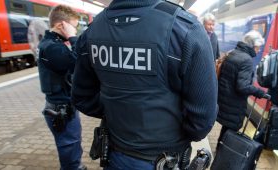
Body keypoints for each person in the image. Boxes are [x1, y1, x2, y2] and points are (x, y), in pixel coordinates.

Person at [71, 0, 217, 169]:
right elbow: (202, 121)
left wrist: (120, 112)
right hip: (164, 159)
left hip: (114, 155)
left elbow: (82, 97)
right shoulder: (185, 29)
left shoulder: (92, 31)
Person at [37, 5, 86, 170]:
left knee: (71, 144)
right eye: (74, 26)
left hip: (63, 107)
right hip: (61, 109)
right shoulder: (52, 47)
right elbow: (80, 63)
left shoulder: (53, 43)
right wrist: (73, 38)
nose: (76, 30)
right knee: (69, 146)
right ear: (61, 25)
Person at [216, 30, 267, 148]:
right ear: (252, 46)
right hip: (235, 103)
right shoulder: (247, 60)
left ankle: (220, 149)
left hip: (225, 99)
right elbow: (242, 87)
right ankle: (223, 156)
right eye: (258, 47)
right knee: (230, 131)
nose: (259, 50)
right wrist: (260, 92)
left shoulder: (233, 53)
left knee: (226, 129)